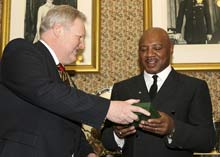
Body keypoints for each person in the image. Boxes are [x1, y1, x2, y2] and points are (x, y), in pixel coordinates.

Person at [0, 5, 150, 157]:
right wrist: (108, 108)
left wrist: (86, 153)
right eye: (80, 37)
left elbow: (68, 122)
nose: (82, 45)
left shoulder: (62, 74)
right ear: (58, 29)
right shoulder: (20, 51)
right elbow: (45, 92)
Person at [101, 27, 216, 157]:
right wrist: (117, 134)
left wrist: (173, 128)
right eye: (144, 49)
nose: (149, 54)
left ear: (171, 49)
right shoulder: (122, 88)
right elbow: (107, 141)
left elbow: (207, 140)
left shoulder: (193, 87)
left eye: (157, 48)